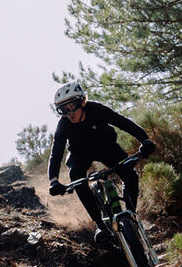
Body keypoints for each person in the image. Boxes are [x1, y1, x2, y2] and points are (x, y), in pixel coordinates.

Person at [47, 82, 156, 243]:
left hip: (107, 148)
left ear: (82, 101)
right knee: (76, 176)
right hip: (80, 154)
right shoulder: (63, 124)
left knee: (130, 174)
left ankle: (131, 214)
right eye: (64, 109)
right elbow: (56, 152)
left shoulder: (96, 109)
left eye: (72, 106)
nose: (70, 112)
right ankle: (100, 224)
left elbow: (123, 123)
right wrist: (54, 181)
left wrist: (145, 140)